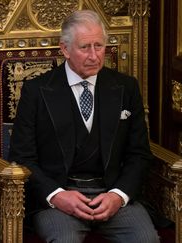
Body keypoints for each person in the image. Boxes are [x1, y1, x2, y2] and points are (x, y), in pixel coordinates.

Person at [8, 10, 159, 243]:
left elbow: (139, 154)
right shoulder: (36, 91)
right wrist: (56, 195)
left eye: (99, 46)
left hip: (112, 193)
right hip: (60, 196)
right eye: (84, 47)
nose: (94, 55)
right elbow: (22, 157)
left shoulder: (125, 88)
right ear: (65, 49)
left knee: (146, 239)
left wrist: (118, 196)